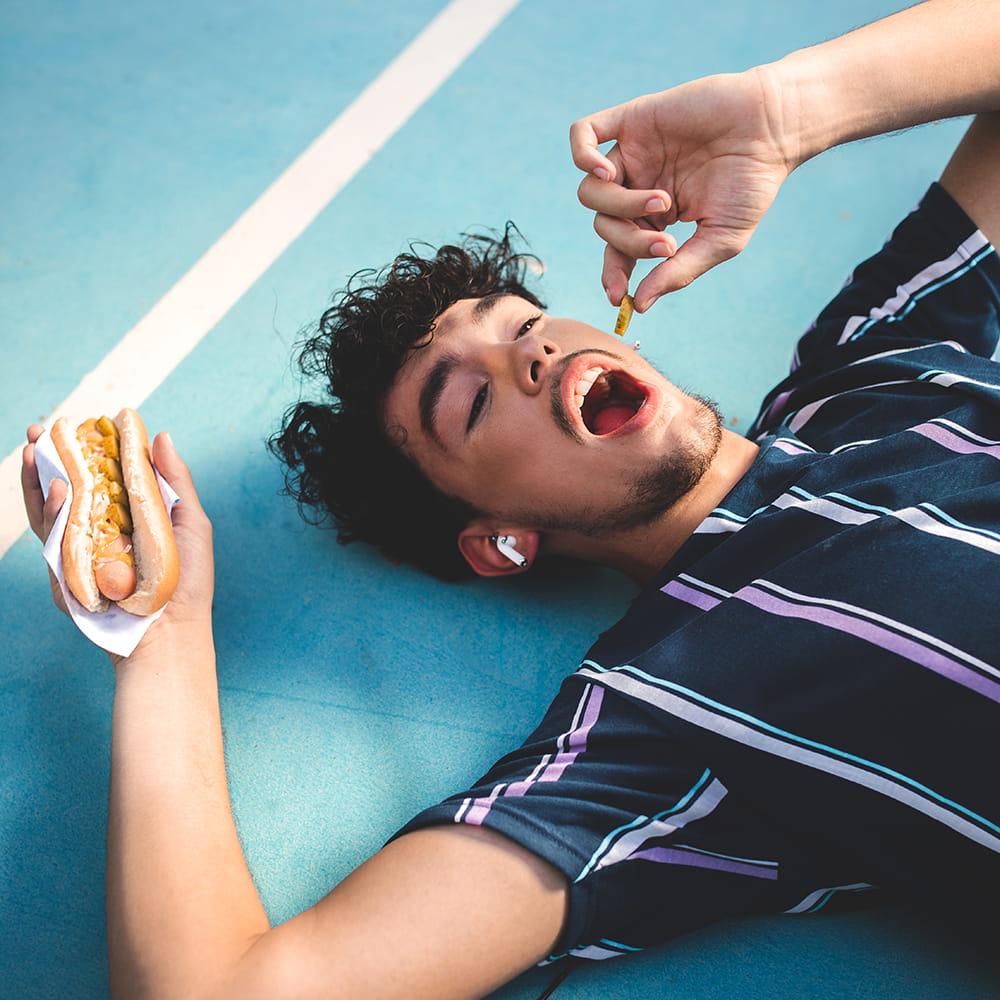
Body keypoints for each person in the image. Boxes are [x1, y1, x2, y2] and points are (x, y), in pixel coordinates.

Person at [19, 0, 1000, 996]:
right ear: (500, 541)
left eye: (522, 321)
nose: (529, 349)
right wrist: (162, 631)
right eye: (475, 398)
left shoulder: (873, 377)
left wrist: (790, 108)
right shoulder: (662, 718)